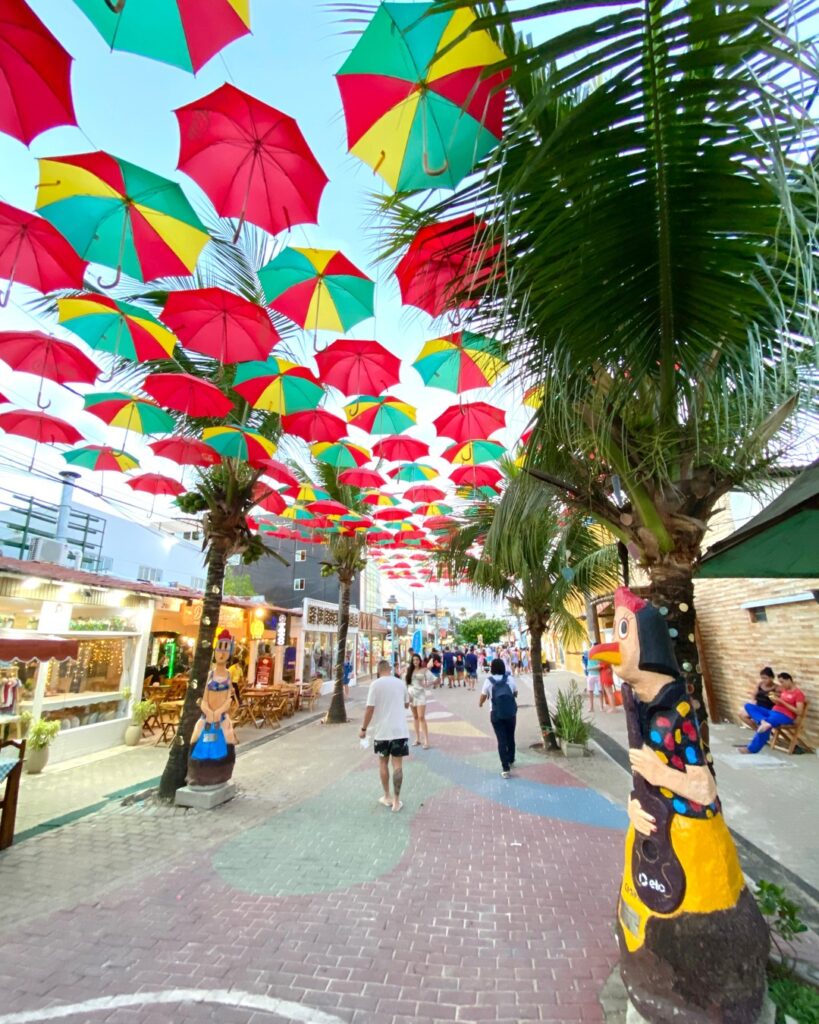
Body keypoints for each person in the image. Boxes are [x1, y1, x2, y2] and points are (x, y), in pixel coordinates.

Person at [360, 659, 410, 812]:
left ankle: (386, 796)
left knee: (383, 763)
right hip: (399, 731)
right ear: (390, 669)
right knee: (398, 765)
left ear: (378, 670)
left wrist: (363, 728)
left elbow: (369, 709)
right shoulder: (400, 683)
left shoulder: (375, 685)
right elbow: (407, 704)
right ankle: (396, 801)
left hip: (382, 732)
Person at [740, 672, 806, 754]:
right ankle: (762, 721)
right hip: (773, 712)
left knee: (767, 725)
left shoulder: (798, 694)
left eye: (782, 682)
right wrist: (774, 700)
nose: (781, 684)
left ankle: (751, 749)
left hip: (785, 716)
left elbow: (799, 712)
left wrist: (782, 702)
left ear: (789, 680)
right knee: (748, 706)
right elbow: (779, 703)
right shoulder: (785, 691)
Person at [479, 657, 518, 778]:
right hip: (510, 713)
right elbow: (516, 693)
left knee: (501, 740)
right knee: (510, 736)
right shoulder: (509, 679)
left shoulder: (489, 681)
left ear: (492, 668)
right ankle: (511, 759)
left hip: (495, 713)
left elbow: (484, 695)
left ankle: (505, 768)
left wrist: (480, 703)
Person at [405, 653, 431, 748]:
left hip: (420, 696)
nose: (415, 661)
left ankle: (426, 740)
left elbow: (433, 680)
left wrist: (426, 685)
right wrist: (407, 696)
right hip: (411, 696)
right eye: (414, 660)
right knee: (415, 717)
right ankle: (417, 739)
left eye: (417, 660)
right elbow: (407, 684)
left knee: (421, 717)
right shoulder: (409, 670)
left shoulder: (424, 670)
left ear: (420, 661)